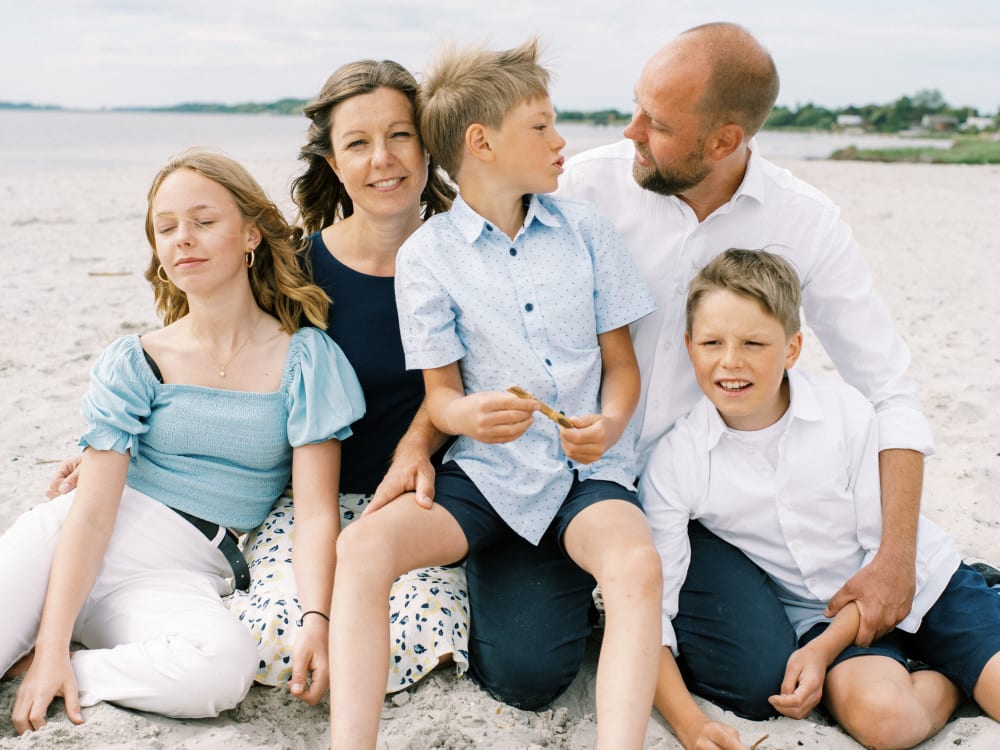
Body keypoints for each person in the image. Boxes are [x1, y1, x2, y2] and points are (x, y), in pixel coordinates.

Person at [45, 60, 471, 699]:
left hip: (417, 502)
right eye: (357, 142)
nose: (382, 158)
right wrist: (107, 446)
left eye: (400, 135)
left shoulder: (468, 259)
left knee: (409, 637)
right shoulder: (297, 268)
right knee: (262, 636)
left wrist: (420, 443)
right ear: (332, 161)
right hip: (299, 501)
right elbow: (209, 344)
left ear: (428, 142)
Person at [557, 22, 934, 719]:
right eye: (638, 105)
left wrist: (897, 558)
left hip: (705, 500)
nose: (630, 129)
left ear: (725, 141)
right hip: (587, 479)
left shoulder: (806, 220)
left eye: (657, 122)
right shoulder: (586, 186)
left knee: (754, 683)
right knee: (527, 670)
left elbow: (889, 389)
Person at [328, 39, 662, 749]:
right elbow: (442, 397)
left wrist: (607, 423)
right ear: (482, 142)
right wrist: (467, 414)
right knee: (361, 549)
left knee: (635, 563)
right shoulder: (428, 254)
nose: (559, 139)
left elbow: (623, 368)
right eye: (541, 125)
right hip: (488, 478)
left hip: (586, 476)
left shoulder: (587, 232)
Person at [0, 149, 365, 734]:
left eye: (203, 221)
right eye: (166, 228)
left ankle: (61, 667)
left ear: (250, 234)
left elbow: (317, 513)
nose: (183, 240)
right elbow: (91, 514)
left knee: (222, 668)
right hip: (71, 542)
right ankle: (46, 649)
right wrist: (50, 636)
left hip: (180, 572)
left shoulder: (307, 360)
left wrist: (315, 617)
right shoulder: (136, 359)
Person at [640, 248, 1000, 750]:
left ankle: (973, 634)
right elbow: (650, 608)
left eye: (754, 343)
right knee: (886, 722)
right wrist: (689, 724)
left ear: (791, 349)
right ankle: (950, 674)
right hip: (824, 616)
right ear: (688, 346)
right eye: (712, 342)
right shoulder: (677, 461)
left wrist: (820, 653)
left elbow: (886, 565)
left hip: (920, 583)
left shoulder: (843, 414)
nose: (730, 361)